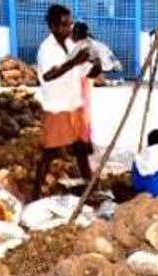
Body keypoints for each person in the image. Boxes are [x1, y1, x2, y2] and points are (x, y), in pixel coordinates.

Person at [34, 4, 101, 200]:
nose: (68, 29)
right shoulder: (46, 49)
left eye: (69, 24)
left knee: (81, 150)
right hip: (57, 107)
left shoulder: (71, 45)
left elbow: (83, 71)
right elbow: (48, 75)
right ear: (52, 26)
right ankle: (36, 195)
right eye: (63, 25)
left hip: (75, 104)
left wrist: (96, 65)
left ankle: (90, 189)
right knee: (49, 153)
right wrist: (74, 62)